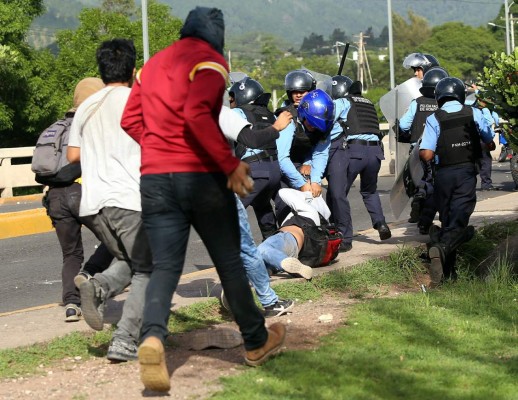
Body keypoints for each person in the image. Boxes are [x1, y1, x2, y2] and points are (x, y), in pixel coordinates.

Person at [121, 7, 286, 392]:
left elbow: (130, 120)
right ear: (218, 38)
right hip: (199, 176)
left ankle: (153, 338)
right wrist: (229, 163)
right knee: (229, 259)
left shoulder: (153, 65)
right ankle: (256, 342)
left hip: (155, 178)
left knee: (164, 266)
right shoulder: (209, 62)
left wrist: (159, 149)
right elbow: (197, 114)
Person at [67, 39, 153, 363]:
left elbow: (73, 154)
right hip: (128, 199)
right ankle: (125, 340)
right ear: (132, 70)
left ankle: (99, 287)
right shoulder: (137, 100)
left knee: (133, 264)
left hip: (92, 206)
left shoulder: (86, 106)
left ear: (101, 70)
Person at [43, 77, 113, 322]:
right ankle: (91, 277)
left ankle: (71, 305)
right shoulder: (92, 124)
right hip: (83, 193)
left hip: (54, 197)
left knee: (70, 254)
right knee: (116, 239)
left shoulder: (57, 127)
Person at [219, 105, 294, 317]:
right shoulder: (217, 111)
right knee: (245, 247)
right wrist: (277, 127)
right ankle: (268, 302)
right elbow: (251, 139)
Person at [419, 77, 494, 287]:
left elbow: (426, 154)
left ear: (439, 97)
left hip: (443, 176)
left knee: (448, 220)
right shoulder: (474, 113)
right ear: (461, 94)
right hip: (466, 173)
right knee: (459, 223)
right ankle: (441, 247)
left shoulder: (434, 118)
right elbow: (488, 139)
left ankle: (447, 275)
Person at [329, 80, 391, 252]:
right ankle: (381, 224)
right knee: (370, 191)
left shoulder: (342, 102)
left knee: (338, 194)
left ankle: (343, 236)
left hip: (354, 151)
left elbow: (327, 121)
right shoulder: (368, 103)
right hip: (376, 152)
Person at [228, 77, 283, 239]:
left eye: (233, 96)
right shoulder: (270, 115)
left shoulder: (237, 112)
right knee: (263, 207)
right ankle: (275, 249)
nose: (231, 100)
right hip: (273, 170)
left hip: (254, 170)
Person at [398, 67, 449, 233]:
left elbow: (403, 125)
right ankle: (444, 217)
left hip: (419, 150)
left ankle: (419, 207)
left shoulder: (417, 102)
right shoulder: (445, 104)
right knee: (440, 184)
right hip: (442, 151)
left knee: (422, 182)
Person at [275, 89, 332, 224]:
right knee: (284, 205)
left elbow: (320, 153)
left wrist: (316, 181)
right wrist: (301, 184)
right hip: (278, 163)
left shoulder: (325, 123)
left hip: (299, 162)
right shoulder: (289, 120)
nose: (313, 127)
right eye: (310, 123)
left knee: (311, 201)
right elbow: (282, 158)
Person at [257, 188, 331, 280]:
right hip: (294, 249)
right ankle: (275, 268)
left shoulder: (308, 210)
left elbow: (283, 192)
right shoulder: (316, 219)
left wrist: (307, 191)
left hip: (286, 238)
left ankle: (283, 261)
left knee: (261, 249)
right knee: (260, 263)